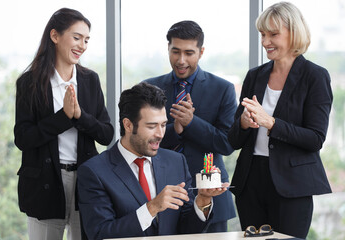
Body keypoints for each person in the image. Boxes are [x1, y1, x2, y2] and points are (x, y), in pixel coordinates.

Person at [228, 2, 332, 239]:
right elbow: (233, 139)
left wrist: (271, 122)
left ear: (293, 33)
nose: (265, 42)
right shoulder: (255, 76)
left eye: (273, 34)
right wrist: (244, 123)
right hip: (250, 181)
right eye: (263, 35)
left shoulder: (315, 76)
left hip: (292, 186)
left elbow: (315, 138)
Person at [77, 82, 230, 239]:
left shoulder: (176, 162)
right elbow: (99, 234)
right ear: (128, 125)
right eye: (152, 126)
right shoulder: (94, 172)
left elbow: (186, 230)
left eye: (163, 125)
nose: (160, 134)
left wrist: (203, 200)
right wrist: (152, 207)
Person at [14, 8, 114, 240]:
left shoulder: (90, 80)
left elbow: (106, 134)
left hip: (86, 182)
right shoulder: (30, 82)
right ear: (55, 36)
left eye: (87, 39)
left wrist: (79, 115)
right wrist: (63, 117)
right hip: (45, 183)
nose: (83, 45)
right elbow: (23, 138)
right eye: (77, 37)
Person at [144, 20, 237, 232]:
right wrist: (175, 130)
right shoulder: (149, 88)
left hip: (210, 194)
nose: (181, 60)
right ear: (167, 48)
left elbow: (227, 143)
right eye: (175, 52)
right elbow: (138, 138)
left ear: (201, 52)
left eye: (189, 53)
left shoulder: (223, 89)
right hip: (160, 193)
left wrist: (191, 123)